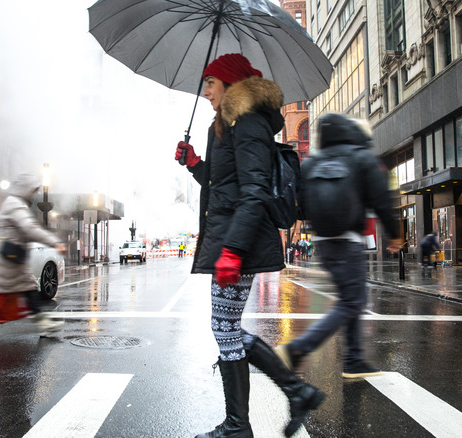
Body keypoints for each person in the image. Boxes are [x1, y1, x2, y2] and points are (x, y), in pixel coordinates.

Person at [175, 53, 324, 438]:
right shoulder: (225, 125)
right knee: (225, 326)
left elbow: (255, 191)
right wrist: (194, 164)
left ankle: (241, 425)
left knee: (223, 327)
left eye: (210, 82)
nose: (205, 90)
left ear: (230, 85)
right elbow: (223, 184)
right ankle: (291, 395)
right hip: (230, 237)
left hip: (237, 242)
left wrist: (233, 250)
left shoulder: (250, 123)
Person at [276, 113, 401, 380]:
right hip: (348, 241)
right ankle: (299, 348)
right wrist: (394, 234)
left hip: (323, 243)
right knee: (352, 300)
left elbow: (302, 204)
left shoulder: (311, 163)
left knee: (350, 297)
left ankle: (353, 359)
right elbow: (381, 200)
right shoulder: (361, 157)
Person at [0, 173, 67, 343]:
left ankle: (43, 323)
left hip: (13, 259)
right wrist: (54, 242)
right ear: (25, 189)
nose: (33, 193)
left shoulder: (16, 203)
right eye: (32, 190)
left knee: (27, 290)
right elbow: (29, 228)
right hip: (6, 261)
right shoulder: (15, 204)